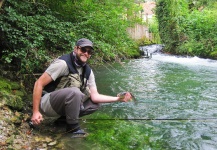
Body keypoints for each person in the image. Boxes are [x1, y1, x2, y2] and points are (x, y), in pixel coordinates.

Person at [31, 38, 132, 135]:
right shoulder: (63, 64)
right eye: (83, 49)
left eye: (89, 52)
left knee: (94, 104)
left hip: (61, 106)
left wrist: (118, 99)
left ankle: (63, 120)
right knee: (75, 92)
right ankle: (73, 128)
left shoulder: (88, 71)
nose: (86, 53)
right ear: (76, 49)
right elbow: (38, 84)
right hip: (46, 103)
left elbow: (95, 96)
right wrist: (35, 112)